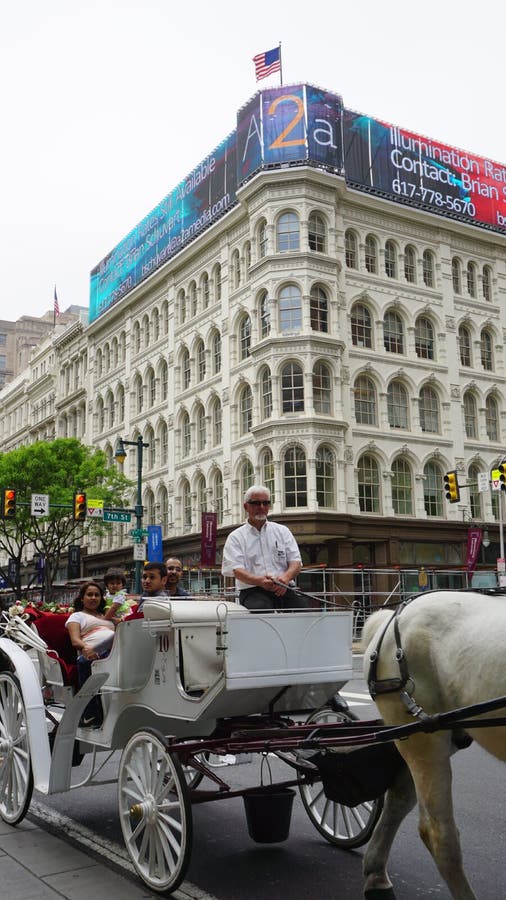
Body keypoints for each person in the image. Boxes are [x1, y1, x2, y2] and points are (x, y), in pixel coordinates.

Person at [221, 485, 305, 610]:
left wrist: (285, 578)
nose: (261, 507)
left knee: (306, 612)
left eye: (265, 503)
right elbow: (237, 570)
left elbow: (296, 563)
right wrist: (260, 581)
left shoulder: (282, 531)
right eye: (256, 503)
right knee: (262, 609)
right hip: (252, 590)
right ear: (246, 506)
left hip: (283, 587)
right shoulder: (236, 537)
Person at [65, 581, 116, 726]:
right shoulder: (77, 616)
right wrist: (87, 649)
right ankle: (90, 713)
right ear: (82, 598)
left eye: (97, 595)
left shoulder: (107, 616)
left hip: (114, 650)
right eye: (89, 595)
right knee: (86, 661)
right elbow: (75, 641)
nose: (93, 598)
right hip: (92, 654)